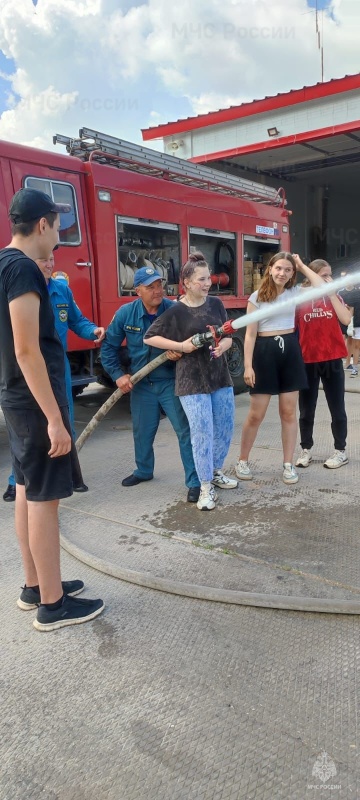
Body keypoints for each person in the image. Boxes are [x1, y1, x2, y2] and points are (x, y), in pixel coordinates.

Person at [0, 187, 104, 631]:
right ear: (42, 224)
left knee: (26, 491)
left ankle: (35, 585)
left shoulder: (4, 263)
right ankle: (53, 604)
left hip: (16, 399)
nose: (59, 235)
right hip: (33, 403)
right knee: (45, 500)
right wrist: (56, 420)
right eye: (57, 225)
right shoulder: (23, 269)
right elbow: (27, 351)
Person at [3, 253, 105, 501]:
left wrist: (93, 330)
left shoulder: (61, 289)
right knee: (25, 432)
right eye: (43, 260)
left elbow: (76, 320)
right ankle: (16, 482)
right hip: (26, 369)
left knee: (63, 422)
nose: (49, 265)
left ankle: (67, 475)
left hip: (58, 370)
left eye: (51, 260)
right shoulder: (19, 287)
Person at [144, 252, 237, 511]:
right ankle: (205, 486)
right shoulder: (176, 311)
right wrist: (182, 346)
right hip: (191, 381)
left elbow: (228, 334)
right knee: (201, 432)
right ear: (186, 281)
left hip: (219, 377)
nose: (207, 284)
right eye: (201, 279)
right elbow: (150, 337)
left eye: (209, 278)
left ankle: (216, 471)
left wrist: (224, 347)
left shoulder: (216, 303)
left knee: (225, 427)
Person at [100, 266, 201, 502]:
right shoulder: (126, 313)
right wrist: (118, 375)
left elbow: (193, 343)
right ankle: (144, 471)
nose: (157, 291)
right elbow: (108, 348)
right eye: (150, 287)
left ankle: (194, 481)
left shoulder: (175, 310)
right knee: (142, 432)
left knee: (185, 431)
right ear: (138, 291)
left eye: (159, 285)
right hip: (142, 383)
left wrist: (180, 352)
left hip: (171, 382)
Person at [235, 252, 324, 485]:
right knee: (256, 414)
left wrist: (303, 265)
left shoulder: (295, 293)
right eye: (278, 268)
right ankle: (242, 460)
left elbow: (322, 285)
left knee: (288, 412)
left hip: (290, 353)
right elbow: (250, 335)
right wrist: (247, 366)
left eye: (287, 270)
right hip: (264, 354)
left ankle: (287, 464)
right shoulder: (257, 297)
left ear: (292, 273)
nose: (282, 273)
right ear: (270, 269)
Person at [295, 257, 351, 469]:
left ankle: (340, 450)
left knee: (337, 407)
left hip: (333, 359)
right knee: (306, 409)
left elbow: (346, 320)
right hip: (307, 360)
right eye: (324, 275)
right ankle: (306, 449)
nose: (329, 278)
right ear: (312, 276)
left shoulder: (334, 296)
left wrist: (331, 293)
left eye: (330, 274)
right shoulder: (300, 298)